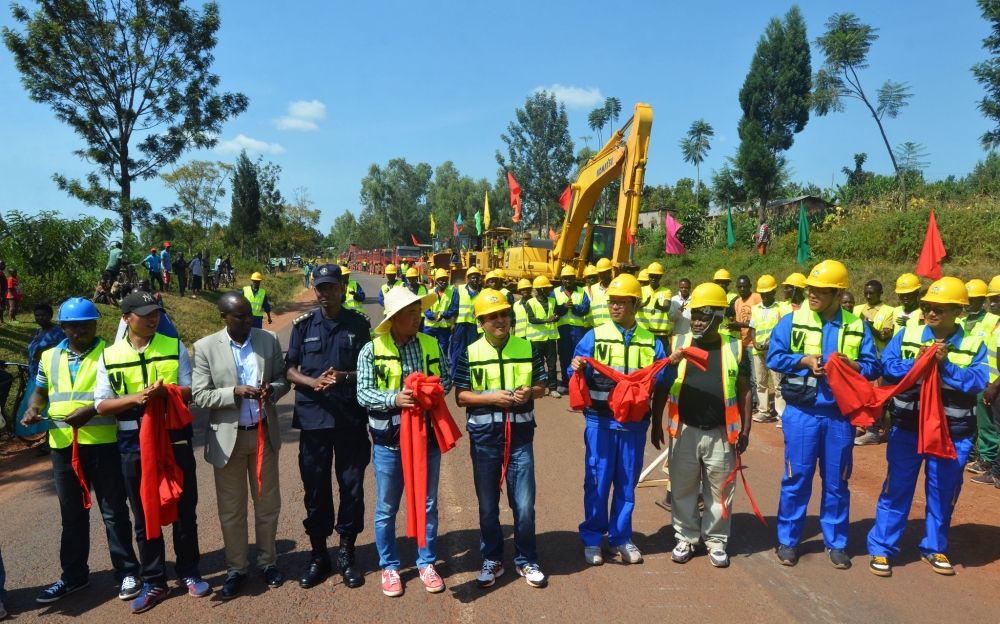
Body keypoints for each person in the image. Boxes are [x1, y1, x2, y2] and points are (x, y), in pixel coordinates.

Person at [21, 298, 142, 605]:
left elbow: (127, 397)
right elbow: (40, 391)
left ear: (96, 324)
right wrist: (34, 409)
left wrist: (90, 410)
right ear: (63, 327)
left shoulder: (112, 353)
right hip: (62, 446)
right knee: (72, 515)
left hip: (104, 444)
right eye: (74, 325)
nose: (80, 330)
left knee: (114, 512)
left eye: (87, 324)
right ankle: (74, 577)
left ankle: (127, 572)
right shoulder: (49, 356)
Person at [94, 291, 209, 613]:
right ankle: (154, 580)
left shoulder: (173, 346)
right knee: (145, 516)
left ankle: (190, 571)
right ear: (125, 318)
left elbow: (190, 390)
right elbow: (101, 404)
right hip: (133, 447)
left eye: (155, 313)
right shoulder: (110, 355)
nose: (152, 318)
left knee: (185, 511)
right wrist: (137, 398)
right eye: (144, 314)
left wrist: (166, 392)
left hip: (175, 442)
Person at [867, 277, 988, 577]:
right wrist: (917, 363)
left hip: (952, 434)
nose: (931, 313)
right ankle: (882, 548)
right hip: (908, 428)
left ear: (958, 310)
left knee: (942, 493)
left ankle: (934, 548)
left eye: (940, 309)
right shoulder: (908, 334)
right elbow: (888, 366)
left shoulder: (974, 344)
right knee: (896, 489)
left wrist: (944, 365)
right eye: (927, 307)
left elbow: (976, 381)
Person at [766, 260, 881, 569]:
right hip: (801, 413)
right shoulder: (792, 321)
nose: (813, 295)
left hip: (840, 417)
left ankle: (837, 543)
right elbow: (774, 356)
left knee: (837, 481)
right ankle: (788, 541)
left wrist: (854, 365)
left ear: (837, 292)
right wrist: (804, 360)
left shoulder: (855, 325)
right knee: (797, 478)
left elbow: (873, 366)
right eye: (810, 289)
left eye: (820, 290)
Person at [192, 292, 290, 598]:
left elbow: (283, 380)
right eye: (241, 316)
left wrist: (270, 390)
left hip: (263, 436)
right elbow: (199, 395)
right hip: (227, 440)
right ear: (224, 317)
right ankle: (236, 568)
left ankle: (267, 562)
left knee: (267, 505)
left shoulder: (268, 340)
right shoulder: (206, 347)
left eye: (249, 315)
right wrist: (233, 392)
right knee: (231, 510)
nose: (248, 320)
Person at [356, 287, 453, 597]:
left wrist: (429, 390)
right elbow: (362, 393)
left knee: (428, 504)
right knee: (387, 507)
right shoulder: (371, 350)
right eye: (412, 313)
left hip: (427, 440)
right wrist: (394, 398)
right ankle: (390, 567)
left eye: (418, 311)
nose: (418, 317)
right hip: (389, 443)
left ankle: (426, 563)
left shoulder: (431, 344)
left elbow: (447, 381)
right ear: (395, 318)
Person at [571, 273, 669, 566]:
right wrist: (575, 365)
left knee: (627, 484)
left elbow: (661, 384)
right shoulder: (594, 336)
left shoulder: (652, 343)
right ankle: (592, 540)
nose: (615, 307)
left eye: (621, 302)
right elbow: (573, 372)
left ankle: (620, 538)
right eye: (612, 302)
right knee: (598, 483)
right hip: (600, 423)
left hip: (634, 426)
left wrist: (657, 424)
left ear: (635, 305)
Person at [285, 264, 372, 590]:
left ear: (342, 288)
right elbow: (289, 369)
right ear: (315, 288)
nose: (326, 293)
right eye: (321, 287)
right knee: (316, 488)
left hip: (350, 418)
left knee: (352, 486)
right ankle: (319, 555)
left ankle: (347, 554)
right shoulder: (302, 325)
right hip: (314, 419)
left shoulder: (359, 325)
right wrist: (311, 381)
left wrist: (344, 378)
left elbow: (370, 367)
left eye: (332, 287)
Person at [454, 289, 548, 588]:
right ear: (480, 321)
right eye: (492, 316)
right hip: (484, 439)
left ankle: (526, 559)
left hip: (520, 438)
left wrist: (528, 393)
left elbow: (541, 386)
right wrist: (493, 398)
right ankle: (492, 558)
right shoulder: (470, 352)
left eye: (503, 314)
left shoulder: (528, 348)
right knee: (487, 505)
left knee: (523, 505)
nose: (499, 320)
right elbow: (460, 397)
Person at [656, 283, 752, 568]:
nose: (696, 320)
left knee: (720, 490)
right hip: (684, 429)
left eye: (704, 314)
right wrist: (654, 423)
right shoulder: (677, 344)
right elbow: (662, 387)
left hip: (722, 433)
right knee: (683, 488)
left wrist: (746, 431)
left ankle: (716, 540)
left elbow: (745, 391)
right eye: (694, 313)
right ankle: (685, 536)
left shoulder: (735, 347)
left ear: (720, 315)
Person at [959, 278, 1000, 478]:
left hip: (987, 380)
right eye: (967, 299)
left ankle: (987, 457)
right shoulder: (960, 321)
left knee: (986, 422)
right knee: (967, 418)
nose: (969, 303)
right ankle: (970, 452)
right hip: (964, 379)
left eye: (974, 300)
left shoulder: (993, 321)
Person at [854, 280, 900, 446]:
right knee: (861, 395)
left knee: (876, 396)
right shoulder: (857, 309)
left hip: (879, 360)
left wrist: (867, 325)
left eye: (872, 293)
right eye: (865, 293)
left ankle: (876, 430)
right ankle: (861, 425)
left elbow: (884, 335)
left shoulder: (889, 311)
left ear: (880, 292)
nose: (868, 296)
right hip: (861, 359)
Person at [16, 304, 64, 440]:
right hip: (35, 374)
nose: (40, 318)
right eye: (37, 315)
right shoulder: (38, 332)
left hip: (50, 374)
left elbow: (63, 350)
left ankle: (50, 440)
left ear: (50, 316)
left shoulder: (57, 332)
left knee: (49, 407)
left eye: (43, 315)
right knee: (36, 406)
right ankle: (45, 438)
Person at [748, 276, 784, 424]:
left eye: (768, 292)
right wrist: (754, 342)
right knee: (761, 382)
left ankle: (781, 414)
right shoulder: (755, 308)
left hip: (774, 350)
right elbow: (752, 327)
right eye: (762, 293)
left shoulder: (781, 307)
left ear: (774, 291)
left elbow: (782, 328)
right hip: (758, 350)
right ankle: (764, 411)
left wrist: (772, 342)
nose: (765, 295)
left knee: (778, 383)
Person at [554, 266, 590, 396]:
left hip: (577, 330)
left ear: (574, 279)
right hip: (563, 329)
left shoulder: (581, 292)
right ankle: (565, 383)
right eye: (565, 278)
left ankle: (577, 384)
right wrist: (564, 307)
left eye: (570, 278)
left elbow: (585, 309)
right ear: (562, 279)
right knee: (564, 356)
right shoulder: (555, 292)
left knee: (579, 358)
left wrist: (574, 308)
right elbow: (553, 309)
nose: (568, 281)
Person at [524, 276, 560, 398]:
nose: (550, 290)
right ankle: (538, 388)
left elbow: (556, 315)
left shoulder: (552, 301)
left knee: (552, 365)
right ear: (540, 289)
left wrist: (556, 318)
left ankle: (552, 388)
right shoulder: (530, 303)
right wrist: (547, 320)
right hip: (536, 340)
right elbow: (532, 319)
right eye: (547, 288)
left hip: (550, 339)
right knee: (538, 365)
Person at [447, 266, 483, 378]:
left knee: (472, 350)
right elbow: (454, 308)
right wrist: (453, 324)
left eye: (477, 278)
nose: (475, 280)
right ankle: (455, 375)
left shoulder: (482, 292)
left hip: (474, 326)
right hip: (460, 325)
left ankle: (468, 375)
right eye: (473, 278)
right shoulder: (460, 290)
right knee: (458, 349)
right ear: (468, 279)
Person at [423, 269, 454, 357]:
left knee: (443, 350)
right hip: (430, 327)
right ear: (436, 281)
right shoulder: (430, 292)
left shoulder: (451, 293)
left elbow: (453, 309)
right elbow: (425, 309)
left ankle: (441, 367)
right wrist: (433, 315)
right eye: (442, 280)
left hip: (443, 328)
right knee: (427, 348)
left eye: (445, 280)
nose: (444, 282)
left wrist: (445, 315)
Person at [641, 262, 673, 345]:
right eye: (651, 276)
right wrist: (643, 304)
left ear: (660, 277)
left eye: (656, 277)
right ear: (648, 276)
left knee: (662, 357)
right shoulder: (641, 290)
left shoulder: (666, 291)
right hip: (644, 331)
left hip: (660, 334)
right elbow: (634, 307)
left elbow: (667, 307)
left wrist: (659, 306)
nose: (653, 279)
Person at [0, 260, 7, 325]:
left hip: (2, 293)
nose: (4, 266)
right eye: (2, 265)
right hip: (1, 294)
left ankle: (2, 320)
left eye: (4, 265)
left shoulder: (2, 273)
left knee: (1, 307)